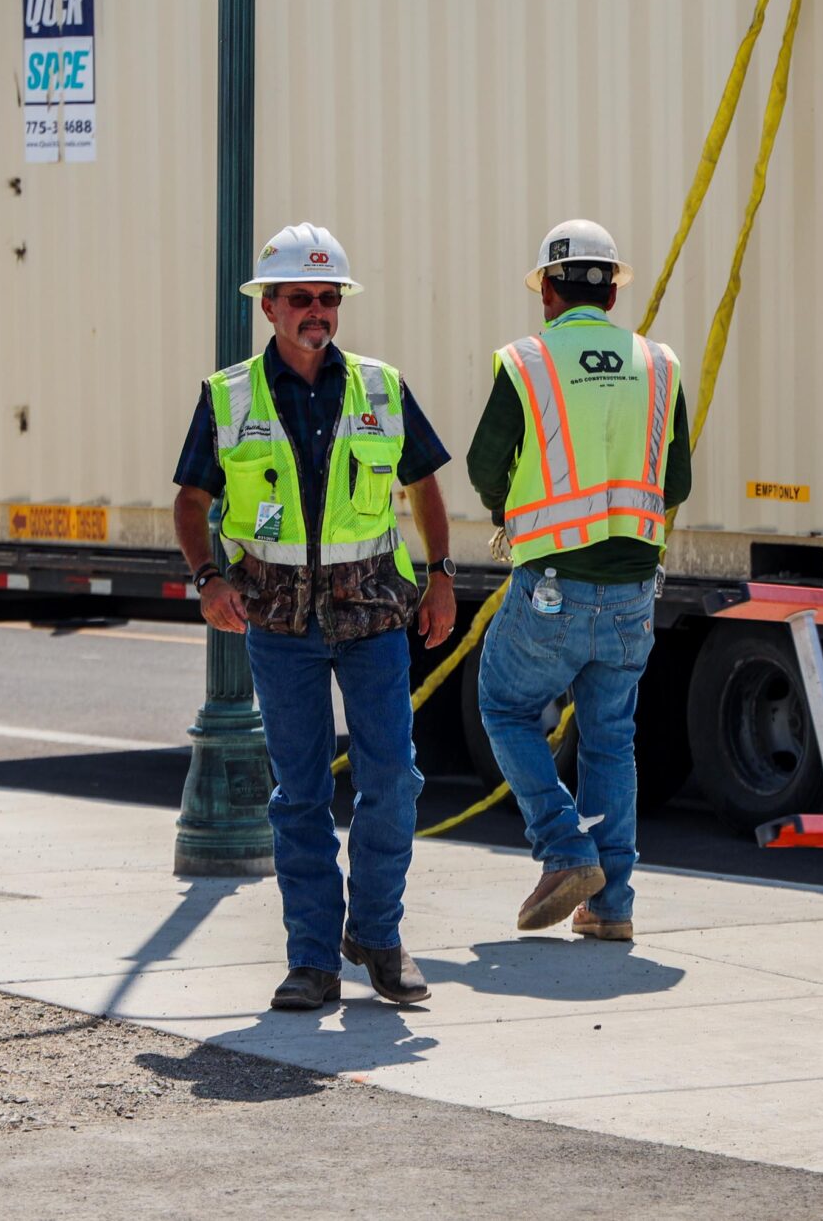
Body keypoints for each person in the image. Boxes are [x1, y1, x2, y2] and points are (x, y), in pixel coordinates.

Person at [170, 223, 458, 1012]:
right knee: (298, 793)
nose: (318, 312)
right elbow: (191, 501)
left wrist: (439, 576)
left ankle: (377, 933)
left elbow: (425, 481)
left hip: (371, 613)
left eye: (328, 298)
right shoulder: (228, 395)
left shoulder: (380, 386)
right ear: (269, 305)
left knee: (392, 778)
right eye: (301, 298)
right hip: (280, 621)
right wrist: (207, 579)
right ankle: (311, 958)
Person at [466, 220, 689, 941]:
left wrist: (513, 509)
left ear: (550, 292)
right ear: (614, 291)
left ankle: (565, 847)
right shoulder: (659, 364)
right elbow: (677, 477)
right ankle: (611, 905)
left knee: (503, 705)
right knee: (608, 740)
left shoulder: (527, 362)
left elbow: (482, 463)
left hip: (552, 584)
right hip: (631, 590)